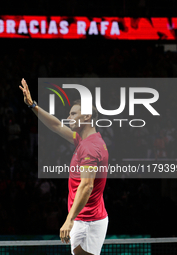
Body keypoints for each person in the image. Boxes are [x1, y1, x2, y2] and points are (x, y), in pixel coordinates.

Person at [19, 78, 108, 255]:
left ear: (87, 116)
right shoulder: (84, 140)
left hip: (86, 221)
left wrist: (69, 220)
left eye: (73, 114)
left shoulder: (90, 147)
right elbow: (57, 125)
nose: (68, 118)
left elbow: (87, 185)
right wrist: (33, 105)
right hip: (86, 218)